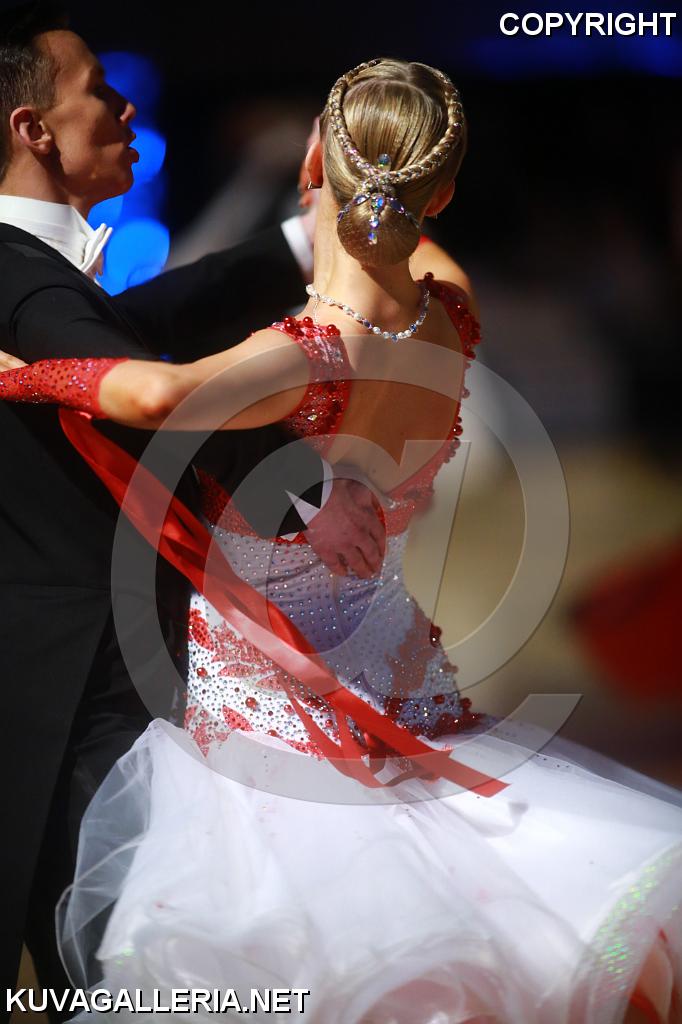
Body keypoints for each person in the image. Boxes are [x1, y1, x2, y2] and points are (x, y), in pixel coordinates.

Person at [1, 57, 681, 1024]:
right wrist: (377, 205)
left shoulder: (305, 354)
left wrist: (14, 373)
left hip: (280, 735)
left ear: (314, 160)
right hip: (406, 687)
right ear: (441, 194)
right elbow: (413, 245)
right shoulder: (449, 312)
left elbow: (150, 395)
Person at [0, 2, 394, 1005]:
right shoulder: (12, 272)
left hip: (102, 673)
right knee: (120, 974)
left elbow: (136, 324)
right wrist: (312, 478)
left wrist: (306, 238)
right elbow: (148, 392)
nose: (126, 106)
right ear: (32, 128)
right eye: (98, 90)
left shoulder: (34, 277)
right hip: (61, 692)